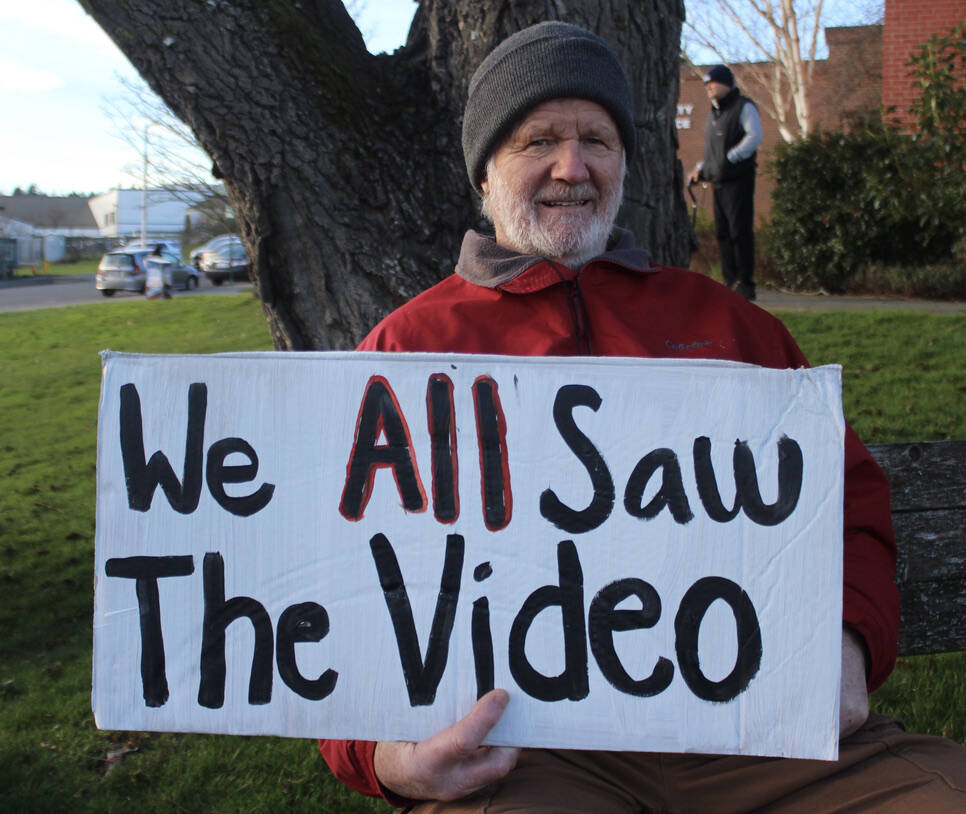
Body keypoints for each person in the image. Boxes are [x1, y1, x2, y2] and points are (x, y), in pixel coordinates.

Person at [320, 22, 966, 812]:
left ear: (625, 164)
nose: (572, 166)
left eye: (597, 139)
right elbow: (322, 577)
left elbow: (848, 503)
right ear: (485, 174)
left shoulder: (731, 326)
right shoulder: (407, 348)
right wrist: (382, 756)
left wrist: (848, 641)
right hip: (529, 749)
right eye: (538, 140)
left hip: (752, 727)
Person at [687, 64, 762, 302]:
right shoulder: (713, 114)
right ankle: (730, 282)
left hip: (738, 180)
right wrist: (700, 170)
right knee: (723, 232)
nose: (708, 87)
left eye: (712, 83)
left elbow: (754, 136)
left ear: (727, 83)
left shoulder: (743, 107)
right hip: (718, 181)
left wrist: (732, 157)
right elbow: (712, 152)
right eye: (706, 84)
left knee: (739, 230)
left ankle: (745, 282)